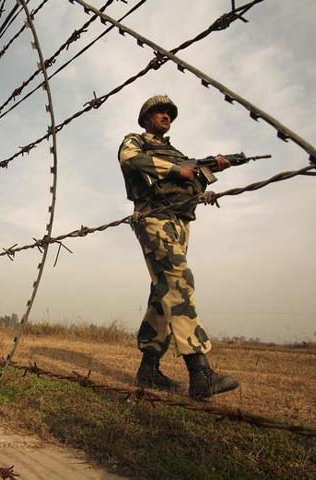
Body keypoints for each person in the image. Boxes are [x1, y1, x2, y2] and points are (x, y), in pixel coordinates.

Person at [117, 94, 239, 400]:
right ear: (146, 118)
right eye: (159, 112)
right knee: (179, 283)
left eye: (169, 113)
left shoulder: (177, 152)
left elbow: (190, 184)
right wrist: (177, 170)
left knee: (164, 292)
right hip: (153, 217)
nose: (165, 116)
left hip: (181, 221)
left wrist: (209, 174)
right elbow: (129, 159)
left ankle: (149, 369)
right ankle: (200, 372)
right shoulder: (136, 141)